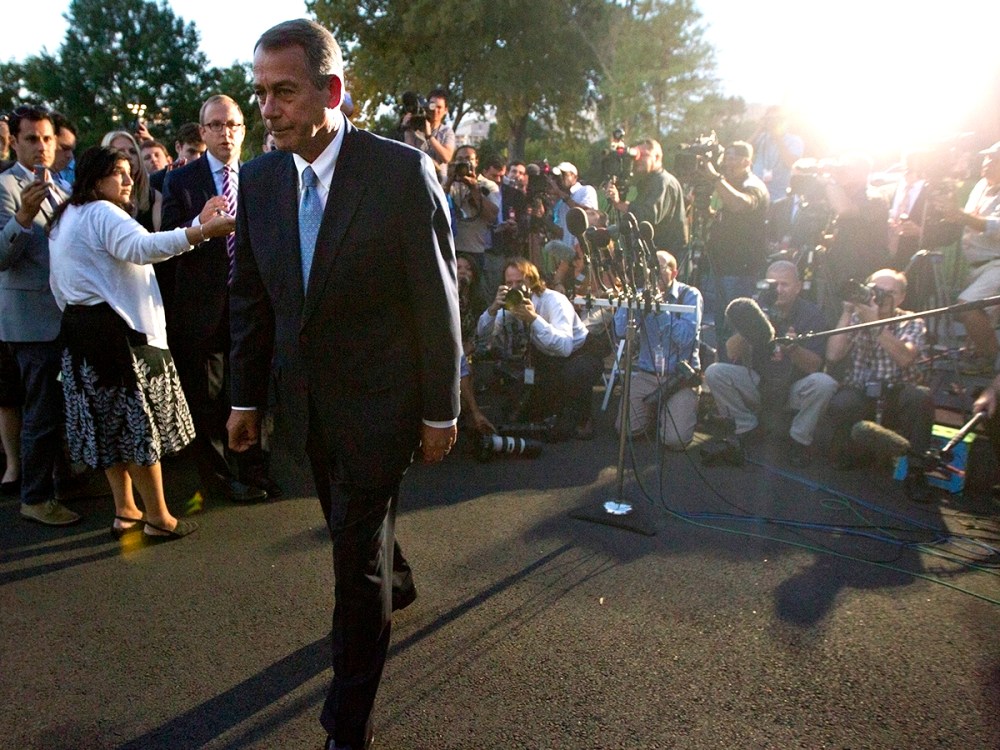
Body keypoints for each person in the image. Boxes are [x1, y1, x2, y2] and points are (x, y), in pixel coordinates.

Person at [228, 19, 461, 750]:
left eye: (285, 92)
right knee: (353, 530)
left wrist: (440, 410)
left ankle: (346, 724)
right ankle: (397, 571)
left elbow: (436, 297)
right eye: (261, 93)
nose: (268, 108)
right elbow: (253, 297)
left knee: (352, 567)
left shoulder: (396, 171)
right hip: (305, 408)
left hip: (381, 408)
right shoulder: (261, 180)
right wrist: (245, 396)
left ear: (330, 91)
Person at [49, 146, 236, 539]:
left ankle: (126, 512)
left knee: (107, 430)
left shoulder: (68, 214)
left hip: (81, 333)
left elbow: (60, 285)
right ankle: (159, 518)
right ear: (96, 178)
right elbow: (144, 248)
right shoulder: (102, 212)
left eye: (130, 172)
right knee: (138, 428)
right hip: (120, 336)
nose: (130, 179)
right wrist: (202, 231)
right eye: (119, 173)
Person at [161, 94, 269, 503]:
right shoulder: (182, 180)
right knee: (208, 400)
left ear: (244, 130)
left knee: (249, 391)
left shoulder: (259, 175)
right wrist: (197, 223)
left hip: (250, 307)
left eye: (234, 125)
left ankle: (255, 470)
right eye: (217, 126)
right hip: (202, 309)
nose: (227, 133)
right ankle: (220, 481)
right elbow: (165, 238)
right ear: (203, 132)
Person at [0, 105, 80, 526]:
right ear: (14, 141)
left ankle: (59, 480)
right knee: (41, 412)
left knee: (58, 408)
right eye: (32, 139)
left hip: (65, 315)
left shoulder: (63, 187)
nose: (42, 147)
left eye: (48, 139)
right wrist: (22, 219)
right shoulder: (5, 187)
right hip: (30, 322)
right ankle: (34, 497)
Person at [704, 260, 837, 466]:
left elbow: (814, 366)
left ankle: (800, 440)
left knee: (825, 383)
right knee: (715, 373)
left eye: (785, 284)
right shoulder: (752, 308)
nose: (779, 290)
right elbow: (730, 352)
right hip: (758, 381)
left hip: (793, 385)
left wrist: (792, 348)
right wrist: (753, 324)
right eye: (773, 284)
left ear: (798, 287)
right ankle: (746, 428)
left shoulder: (812, 314)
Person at [825, 268, 935, 501]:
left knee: (920, 397)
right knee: (842, 402)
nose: (882, 297)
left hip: (898, 394)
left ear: (902, 297)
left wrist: (875, 323)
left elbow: (905, 358)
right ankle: (855, 452)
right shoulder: (856, 318)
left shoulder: (912, 321)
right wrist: (847, 312)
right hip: (862, 392)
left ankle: (916, 470)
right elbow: (833, 355)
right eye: (877, 291)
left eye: (890, 292)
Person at [477, 257, 603, 440]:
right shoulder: (513, 303)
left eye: (519, 282)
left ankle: (583, 417)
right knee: (528, 413)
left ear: (531, 280)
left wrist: (533, 319)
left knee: (572, 378)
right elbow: (483, 337)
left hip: (581, 355)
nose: (514, 288)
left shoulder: (554, 300)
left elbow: (565, 347)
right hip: (547, 360)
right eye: (509, 283)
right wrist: (493, 309)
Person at [614, 251, 702, 448]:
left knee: (675, 441)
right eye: (650, 268)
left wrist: (660, 309)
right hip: (647, 375)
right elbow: (620, 331)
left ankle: (677, 410)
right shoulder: (641, 292)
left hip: (679, 378)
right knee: (626, 430)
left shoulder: (690, 295)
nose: (653, 273)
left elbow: (685, 339)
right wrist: (629, 303)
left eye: (659, 268)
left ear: (675, 272)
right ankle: (655, 412)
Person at [702, 141, 770, 355]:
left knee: (733, 325)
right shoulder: (730, 183)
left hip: (740, 270)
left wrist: (715, 178)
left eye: (733, 158)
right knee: (719, 325)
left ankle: (732, 370)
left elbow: (740, 204)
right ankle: (719, 369)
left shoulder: (753, 184)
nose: (726, 163)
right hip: (720, 266)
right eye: (726, 157)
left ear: (747, 161)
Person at [938, 141, 1000, 375]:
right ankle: (981, 358)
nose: (987, 163)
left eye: (994, 159)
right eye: (986, 158)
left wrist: (961, 216)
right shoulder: (982, 185)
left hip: (997, 263)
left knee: (968, 306)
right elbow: (968, 217)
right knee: (979, 315)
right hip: (979, 264)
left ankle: (991, 363)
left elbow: (995, 226)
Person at [604, 138, 687, 256]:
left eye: (643, 155)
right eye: (637, 155)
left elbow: (648, 217)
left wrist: (619, 204)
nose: (638, 159)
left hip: (667, 258)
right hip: (654, 254)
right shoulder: (648, 181)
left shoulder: (663, 181)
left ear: (657, 157)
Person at [101, 130, 161, 232]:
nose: (128, 156)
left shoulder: (154, 197)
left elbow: (160, 239)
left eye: (133, 151)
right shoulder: (98, 202)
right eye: (120, 152)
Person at [401, 87, 455, 184]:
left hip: (438, 183)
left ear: (446, 110)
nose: (435, 110)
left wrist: (429, 136)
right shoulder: (415, 127)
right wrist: (407, 130)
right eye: (433, 106)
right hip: (417, 180)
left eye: (439, 107)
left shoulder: (447, 131)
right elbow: (409, 155)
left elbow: (446, 157)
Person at [751, 106, 805, 201]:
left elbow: (790, 162)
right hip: (754, 190)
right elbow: (742, 151)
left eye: (776, 119)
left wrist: (777, 137)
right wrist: (759, 129)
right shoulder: (763, 137)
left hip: (776, 195)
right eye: (769, 119)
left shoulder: (795, 140)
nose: (773, 122)